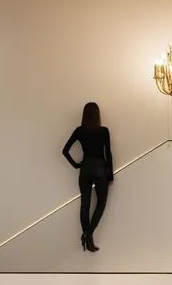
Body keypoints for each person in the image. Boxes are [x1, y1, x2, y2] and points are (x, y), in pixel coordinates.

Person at [62, 102, 113, 252]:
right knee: (101, 204)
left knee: (85, 205)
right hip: (100, 169)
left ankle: (88, 239)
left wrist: (76, 165)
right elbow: (108, 153)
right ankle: (88, 235)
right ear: (98, 114)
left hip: (85, 169)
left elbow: (64, 150)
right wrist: (110, 176)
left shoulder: (80, 130)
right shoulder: (104, 131)